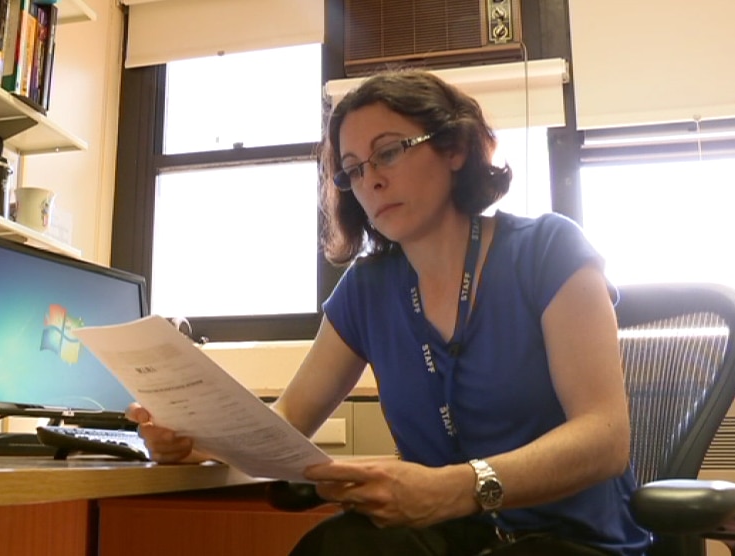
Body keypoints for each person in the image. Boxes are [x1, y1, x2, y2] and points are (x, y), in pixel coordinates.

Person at [126, 69, 651, 555]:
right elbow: (286, 423)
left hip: (573, 540)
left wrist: (457, 487)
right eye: (353, 169)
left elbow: (605, 437)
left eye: (390, 152)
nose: (370, 180)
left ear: (454, 149)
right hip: (454, 537)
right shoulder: (366, 289)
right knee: (335, 547)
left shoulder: (547, 249)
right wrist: (200, 442)